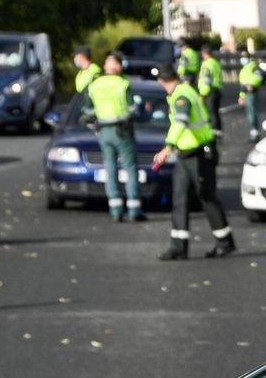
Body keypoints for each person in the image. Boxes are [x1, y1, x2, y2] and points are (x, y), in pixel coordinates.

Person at [151, 64, 235, 261]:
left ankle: (225, 241)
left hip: (199, 154)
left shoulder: (181, 96)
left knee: (206, 196)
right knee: (179, 198)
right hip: (186, 154)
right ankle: (178, 246)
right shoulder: (183, 91)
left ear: (161, 81)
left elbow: (180, 121)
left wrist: (168, 147)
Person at [83, 53, 146, 222]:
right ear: (119, 66)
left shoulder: (95, 85)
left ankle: (115, 209)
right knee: (130, 168)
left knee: (110, 168)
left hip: (104, 132)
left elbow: (87, 111)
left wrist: (96, 121)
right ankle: (134, 209)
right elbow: (133, 109)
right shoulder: (123, 84)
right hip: (122, 131)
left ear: (105, 67)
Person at [197, 44, 225, 134]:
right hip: (217, 90)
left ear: (204, 53)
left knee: (210, 112)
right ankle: (218, 130)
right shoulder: (216, 63)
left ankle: (212, 131)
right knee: (215, 112)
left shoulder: (206, 64)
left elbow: (206, 80)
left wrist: (202, 94)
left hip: (209, 91)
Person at [238, 50, 264, 141]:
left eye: (245, 57)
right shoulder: (243, 69)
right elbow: (242, 84)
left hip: (251, 92)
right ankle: (253, 132)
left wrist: (252, 85)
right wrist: (241, 96)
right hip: (245, 92)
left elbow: (259, 77)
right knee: (249, 114)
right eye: (242, 57)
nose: (243, 59)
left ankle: (255, 132)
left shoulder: (253, 66)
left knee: (252, 113)